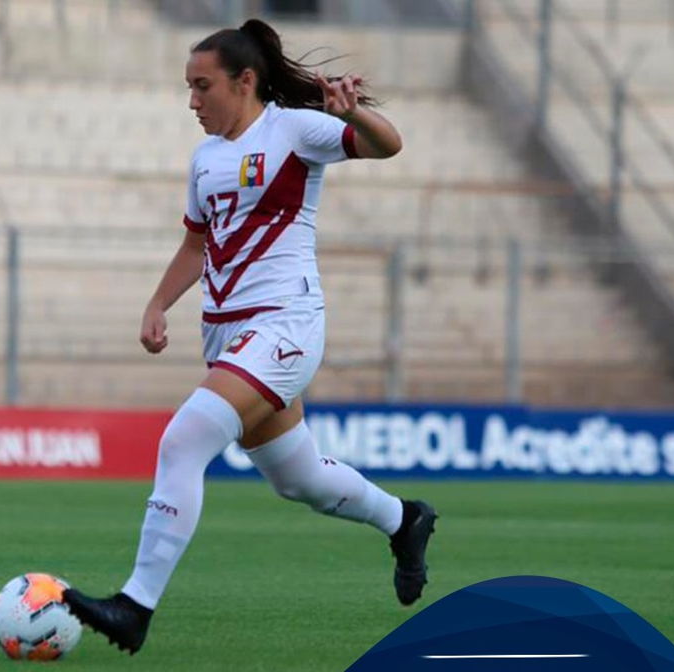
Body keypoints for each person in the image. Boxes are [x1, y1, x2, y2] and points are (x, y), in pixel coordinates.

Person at [62, 19, 436, 654]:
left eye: (202, 86)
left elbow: (388, 145)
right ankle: (405, 520)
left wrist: (356, 117)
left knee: (183, 441)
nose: (191, 101)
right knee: (298, 480)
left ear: (244, 81)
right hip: (227, 334)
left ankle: (135, 606)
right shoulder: (204, 159)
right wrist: (158, 303)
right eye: (187, 86)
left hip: (285, 323)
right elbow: (196, 241)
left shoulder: (293, 129)